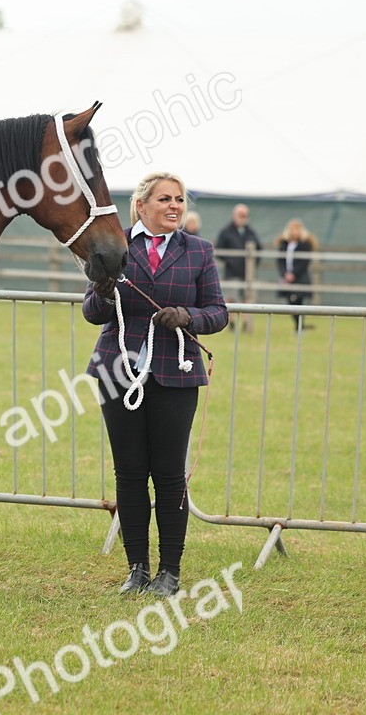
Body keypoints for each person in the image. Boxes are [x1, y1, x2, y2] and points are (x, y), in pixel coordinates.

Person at [83, 172, 228, 597]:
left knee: (168, 475)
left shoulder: (198, 251)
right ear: (141, 205)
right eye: (165, 199)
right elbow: (93, 312)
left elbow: (218, 312)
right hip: (118, 371)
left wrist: (189, 316)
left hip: (175, 372)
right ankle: (137, 569)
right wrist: (105, 292)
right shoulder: (114, 245)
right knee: (128, 474)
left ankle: (170, 571)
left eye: (180, 200)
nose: (175, 206)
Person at [215, 204, 261, 327]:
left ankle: (247, 323)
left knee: (247, 298)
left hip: (247, 273)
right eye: (241, 215)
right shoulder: (226, 231)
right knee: (231, 297)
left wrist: (254, 264)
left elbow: (258, 249)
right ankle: (231, 322)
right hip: (232, 272)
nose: (243, 218)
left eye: (245, 215)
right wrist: (231, 261)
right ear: (234, 216)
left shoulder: (251, 232)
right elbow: (219, 249)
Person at [276, 218, 316, 330]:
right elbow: (280, 261)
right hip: (286, 278)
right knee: (290, 302)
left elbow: (304, 262)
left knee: (299, 301)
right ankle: (299, 326)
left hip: (300, 278)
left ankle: (299, 326)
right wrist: (285, 274)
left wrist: (294, 274)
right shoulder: (284, 244)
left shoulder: (305, 244)